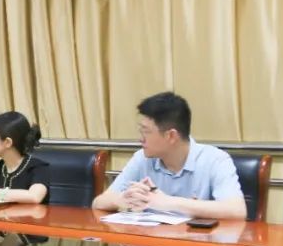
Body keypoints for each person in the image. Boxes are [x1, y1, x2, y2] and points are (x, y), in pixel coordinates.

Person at [92, 92, 246, 219]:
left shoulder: (215, 159)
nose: (141, 139)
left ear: (171, 136)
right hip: (152, 244)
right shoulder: (142, 158)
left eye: (146, 131)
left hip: (197, 244)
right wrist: (123, 199)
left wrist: (167, 202)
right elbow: (98, 202)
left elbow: (237, 211)